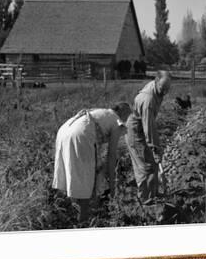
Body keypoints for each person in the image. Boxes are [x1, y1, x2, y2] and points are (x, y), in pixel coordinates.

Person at [52, 102, 132, 223]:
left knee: (70, 172)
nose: (127, 120)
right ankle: (83, 220)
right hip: (80, 135)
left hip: (65, 130)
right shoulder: (116, 121)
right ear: (123, 113)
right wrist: (112, 187)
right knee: (86, 177)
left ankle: (63, 213)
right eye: (128, 116)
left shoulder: (102, 113)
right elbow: (111, 155)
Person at [126, 71, 172, 205]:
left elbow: (149, 126)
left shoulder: (157, 89)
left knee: (152, 163)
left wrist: (155, 149)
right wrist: (155, 148)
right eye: (163, 89)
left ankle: (154, 193)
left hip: (143, 128)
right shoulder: (148, 100)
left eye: (167, 89)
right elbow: (149, 128)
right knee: (145, 166)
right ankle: (144, 199)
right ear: (156, 81)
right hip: (136, 133)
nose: (165, 92)